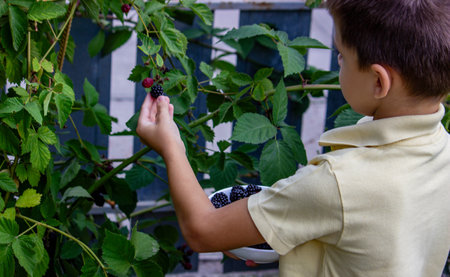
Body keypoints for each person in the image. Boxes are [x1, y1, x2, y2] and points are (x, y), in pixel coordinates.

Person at [136, 0, 450, 275]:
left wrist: (172, 145)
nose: (337, 60)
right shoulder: (442, 148)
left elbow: (202, 230)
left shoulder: (338, 182)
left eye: (340, 54)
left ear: (379, 82)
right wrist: (286, 239)